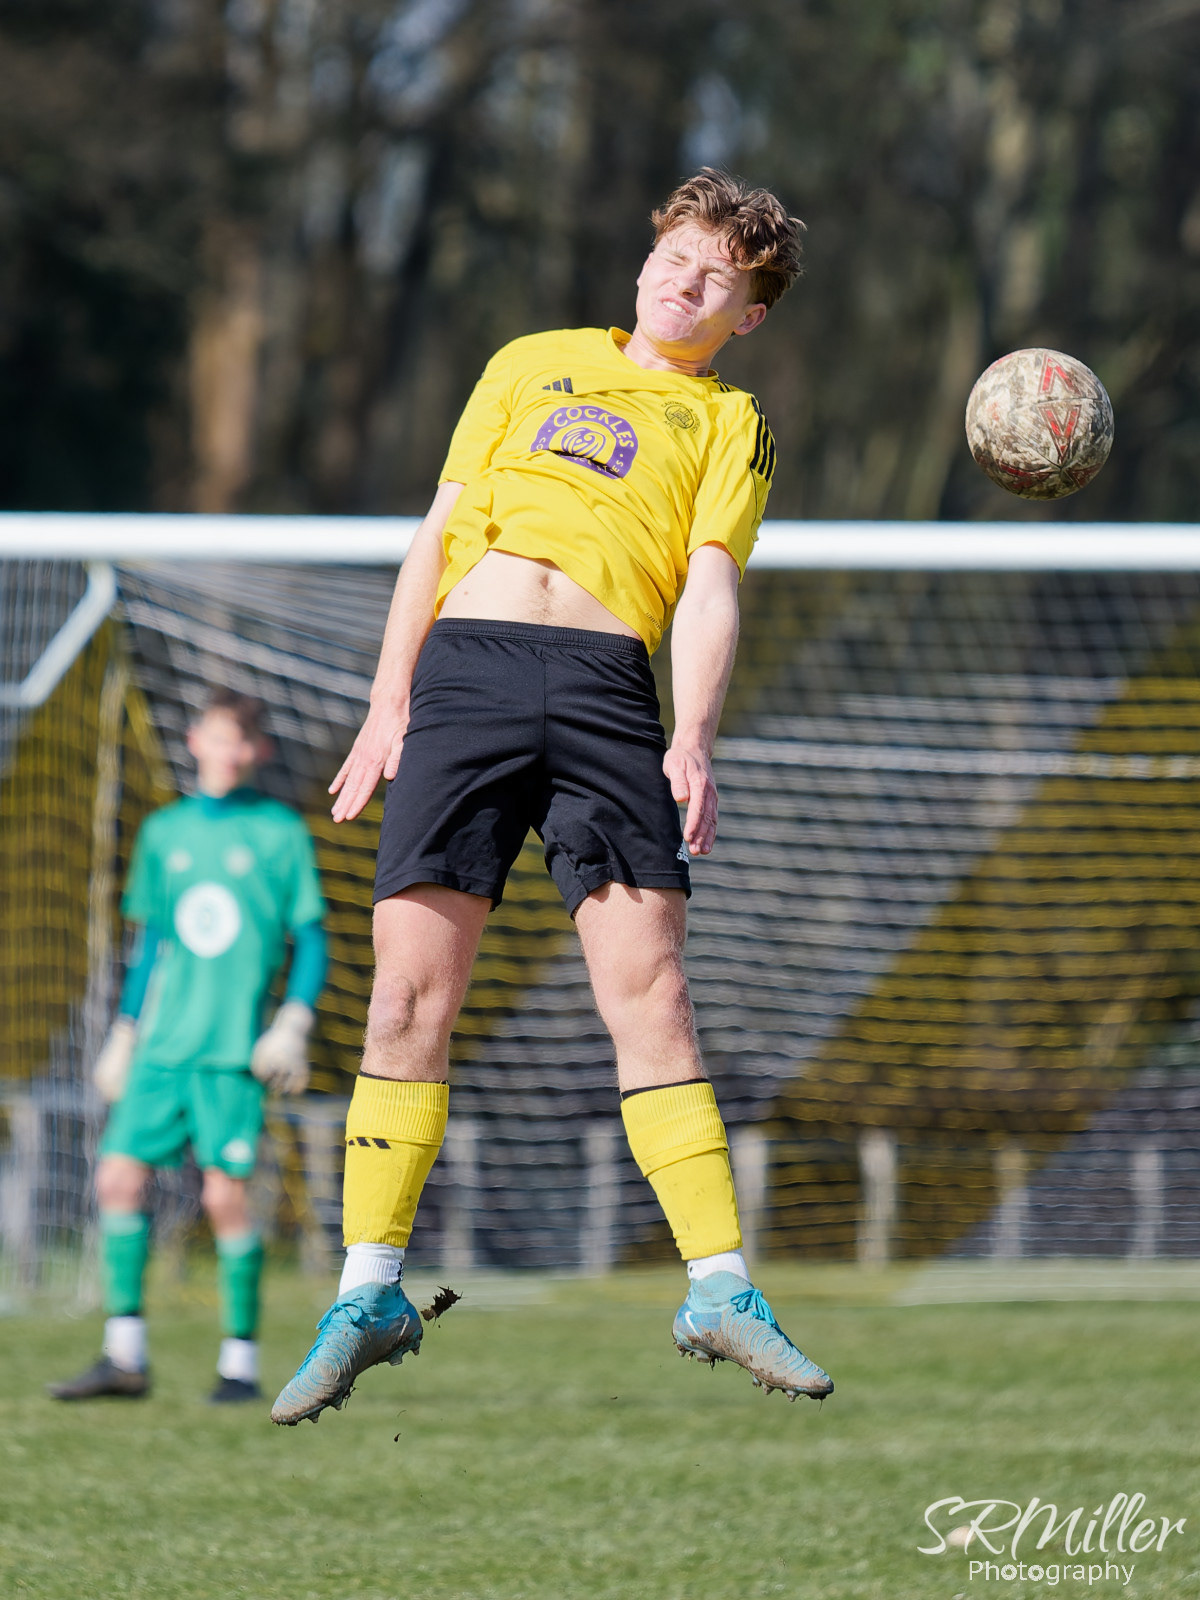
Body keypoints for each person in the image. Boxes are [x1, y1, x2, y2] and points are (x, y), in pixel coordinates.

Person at [272, 168, 832, 1426]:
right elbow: (436, 533)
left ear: (747, 315)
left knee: (654, 991)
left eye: (719, 279)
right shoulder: (529, 361)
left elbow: (710, 584)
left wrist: (695, 735)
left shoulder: (731, 422)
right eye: (677, 257)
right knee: (407, 995)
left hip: (604, 690)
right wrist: (388, 699)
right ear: (647, 259)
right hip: (464, 676)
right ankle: (368, 1295)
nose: (687, 283)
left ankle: (721, 1288)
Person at [49, 689, 327, 1405]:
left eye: (241, 740)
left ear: (258, 751)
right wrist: (124, 1034)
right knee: (117, 1180)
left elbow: (310, 938)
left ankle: (239, 1366)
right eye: (216, 736)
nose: (227, 752)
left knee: (223, 1197)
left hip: (231, 1053)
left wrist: (292, 1023)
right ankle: (124, 1358)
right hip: (161, 1052)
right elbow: (152, 945)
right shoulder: (164, 832)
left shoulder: (280, 833)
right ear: (195, 740)